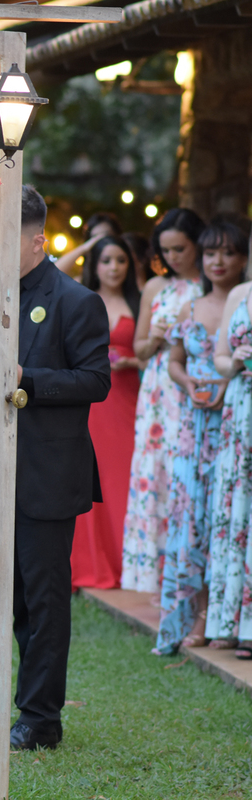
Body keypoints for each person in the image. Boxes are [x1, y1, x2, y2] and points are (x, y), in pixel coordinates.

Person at [11, 186, 110, 751]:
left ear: (37, 239)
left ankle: (41, 718)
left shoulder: (75, 301)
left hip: (46, 475)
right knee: (12, 604)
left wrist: (28, 377)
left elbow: (97, 380)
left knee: (44, 604)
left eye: (9, 239)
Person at [154, 219, 244, 654]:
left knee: (225, 518)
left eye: (228, 253)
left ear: (243, 258)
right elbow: (173, 360)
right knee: (192, 522)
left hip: (233, 426)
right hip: (192, 428)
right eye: (211, 253)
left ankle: (218, 615)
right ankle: (194, 610)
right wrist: (188, 382)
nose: (218, 261)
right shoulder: (190, 307)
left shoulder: (246, 304)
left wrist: (227, 386)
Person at [121, 208, 206, 592]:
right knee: (155, 472)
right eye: (166, 250)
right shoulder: (156, 288)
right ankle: (154, 575)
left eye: (180, 249)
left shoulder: (210, 285)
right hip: (157, 391)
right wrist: (157, 336)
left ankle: (189, 576)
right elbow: (138, 351)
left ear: (197, 245)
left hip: (194, 384)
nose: (173, 257)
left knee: (187, 473)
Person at [70, 236, 141, 589]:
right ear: (94, 265)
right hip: (94, 403)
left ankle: (128, 563)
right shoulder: (81, 299)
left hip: (129, 401)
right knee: (91, 479)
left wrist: (133, 360)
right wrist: (86, 245)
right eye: (106, 260)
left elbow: (156, 352)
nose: (114, 268)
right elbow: (53, 269)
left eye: (121, 260)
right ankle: (90, 564)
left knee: (125, 479)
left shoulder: (140, 300)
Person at [199, 219, 252, 653]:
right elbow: (218, 357)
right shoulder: (240, 294)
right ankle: (228, 621)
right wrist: (233, 361)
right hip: (239, 408)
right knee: (235, 510)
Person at [57, 211, 124, 277]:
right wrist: (84, 248)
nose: (114, 268)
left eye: (106, 236)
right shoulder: (83, 282)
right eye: (95, 238)